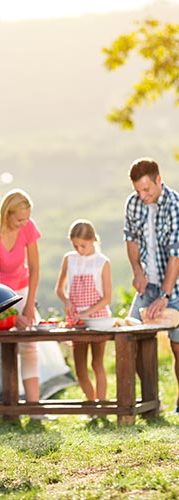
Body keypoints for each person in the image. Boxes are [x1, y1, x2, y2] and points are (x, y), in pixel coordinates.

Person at [0, 189, 41, 406]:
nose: (24, 223)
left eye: (27, 219)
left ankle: (33, 406)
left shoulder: (28, 227)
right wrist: (11, 316)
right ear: (7, 214)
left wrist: (29, 306)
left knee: (29, 343)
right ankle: (8, 404)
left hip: (20, 288)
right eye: (19, 219)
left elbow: (35, 268)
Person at [124, 157, 179, 414]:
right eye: (138, 190)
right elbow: (131, 239)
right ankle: (150, 404)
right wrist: (138, 272)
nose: (142, 195)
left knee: (178, 347)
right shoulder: (134, 203)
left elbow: (175, 254)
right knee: (130, 338)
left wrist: (166, 295)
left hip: (175, 286)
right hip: (149, 285)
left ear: (159, 180)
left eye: (146, 189)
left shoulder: (175, 205)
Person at [55, 219, 111, 401]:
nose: (80, 250)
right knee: (79, 367)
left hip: (98, 319)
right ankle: (91, 403)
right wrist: (67, 301)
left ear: (93, 239)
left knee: (97, 363)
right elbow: (60, 289)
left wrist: (87, 313)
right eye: (76, 245)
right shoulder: (69, 259)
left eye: (83, 245)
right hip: (76, 320)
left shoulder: (102, 262)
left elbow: (107, 298)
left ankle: (101, 405)